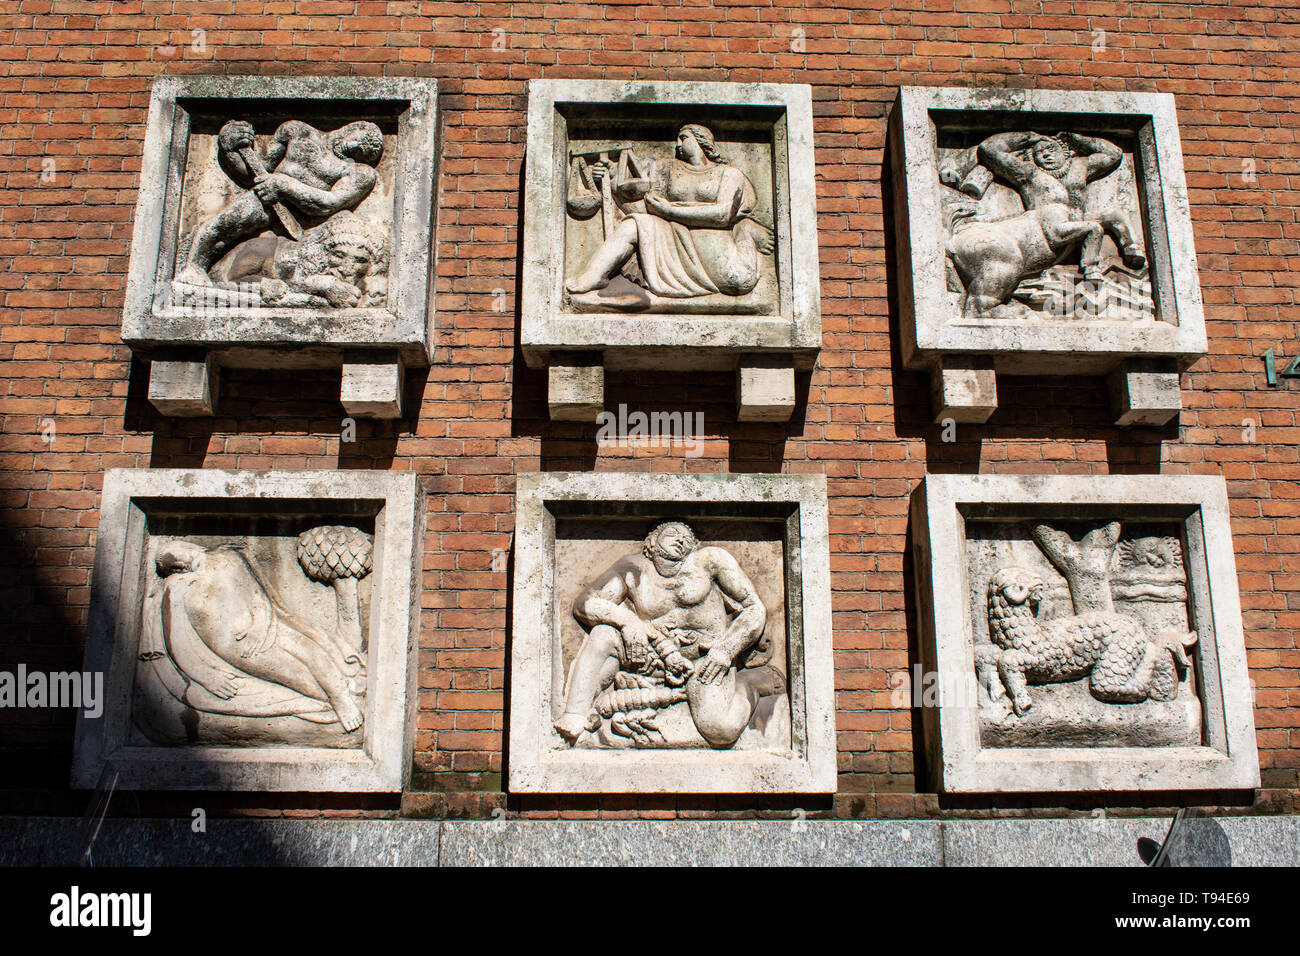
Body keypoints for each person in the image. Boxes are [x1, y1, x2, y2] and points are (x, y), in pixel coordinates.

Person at [556, 521, 784, 748]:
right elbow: (585, 603)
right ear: (653, 542)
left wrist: (725, 650)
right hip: (650, 653)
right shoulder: (632, 568)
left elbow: (753, 608)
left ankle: (751, 681)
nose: (681, 539)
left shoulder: (710, 560)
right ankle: (575, 717)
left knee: (720, 730)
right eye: (672, 533)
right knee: (603, 634)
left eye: (687, 537)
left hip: (705, 659)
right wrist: (628, 621)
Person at [152, 541, 364, 732]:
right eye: (172, 565)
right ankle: (339, 703)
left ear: (191, 547)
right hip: (239, 648)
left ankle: (341, 695)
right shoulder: (177, 587)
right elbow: (176, 641)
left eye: (177, 555)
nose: (178, 564)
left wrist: (259, 627)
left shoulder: (227, 559)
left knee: (312, 651)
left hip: (264, 628)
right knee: (298, 677)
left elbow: (258, 597)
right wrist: (207, 677)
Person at [947, 130, 1146, 315]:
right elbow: (990, 149)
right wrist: (1029, 137)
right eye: (1040, 153)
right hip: (1048, 228)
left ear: (1066, 152)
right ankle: (1091, 268)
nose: (1046, 155)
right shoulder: (1030, 174)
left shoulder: (1080, 167)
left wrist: (1077, 138)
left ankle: (1132, 249)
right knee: (1093, 227)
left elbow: (1114, 154)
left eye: (1051, 149)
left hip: (1072, 222)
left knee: (1113, 214)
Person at [564, 124, 774, 299]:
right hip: (672, 236)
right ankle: (594, 275)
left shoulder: (729, 174)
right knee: (632, 225)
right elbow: (645, 205)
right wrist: (610, 180)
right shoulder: (667, 168)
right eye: (677, 139)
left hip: (715, 250)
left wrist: (669, 209)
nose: (678, 144)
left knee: (737, 280)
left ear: (702, 140)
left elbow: (722, 215)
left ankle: (746, 231)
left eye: (684, 138)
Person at [175, 118, 383, 286]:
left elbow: (329, 203)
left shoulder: (360, 173)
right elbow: (257, 169)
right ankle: (192, 267)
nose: (356, 148)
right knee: (223, 224)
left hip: (304, 221)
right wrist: (230, 149)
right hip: (266, 197)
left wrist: (283, 185)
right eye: (359, 140)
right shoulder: (296, 131)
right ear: (353, 127)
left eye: (364, 152)